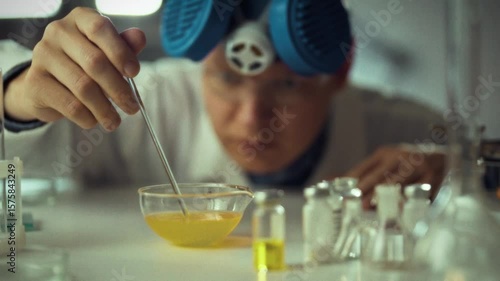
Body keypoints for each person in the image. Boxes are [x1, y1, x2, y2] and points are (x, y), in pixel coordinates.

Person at [1, 5, 446, 209]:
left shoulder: (401, 129)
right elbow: (17, 159)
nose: (253, 118)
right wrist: (19, 96)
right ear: (199, 68)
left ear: (339, 77)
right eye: (228, 79)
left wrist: (457, 177)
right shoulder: (145, 102)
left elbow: (478, 164)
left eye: (287, 85)